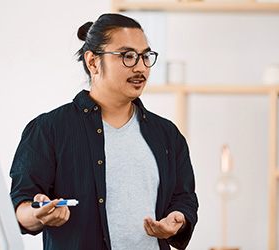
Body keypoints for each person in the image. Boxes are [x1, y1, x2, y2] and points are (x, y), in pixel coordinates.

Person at [10, 13, 198, 250]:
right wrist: (38, 213)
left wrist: (178, 219)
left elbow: (184, 199)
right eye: (127, 56)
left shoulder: (167, 135)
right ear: (93, 62)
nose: (140, 67)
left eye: (145, 56)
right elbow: (19, 206)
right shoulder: (49, 129)